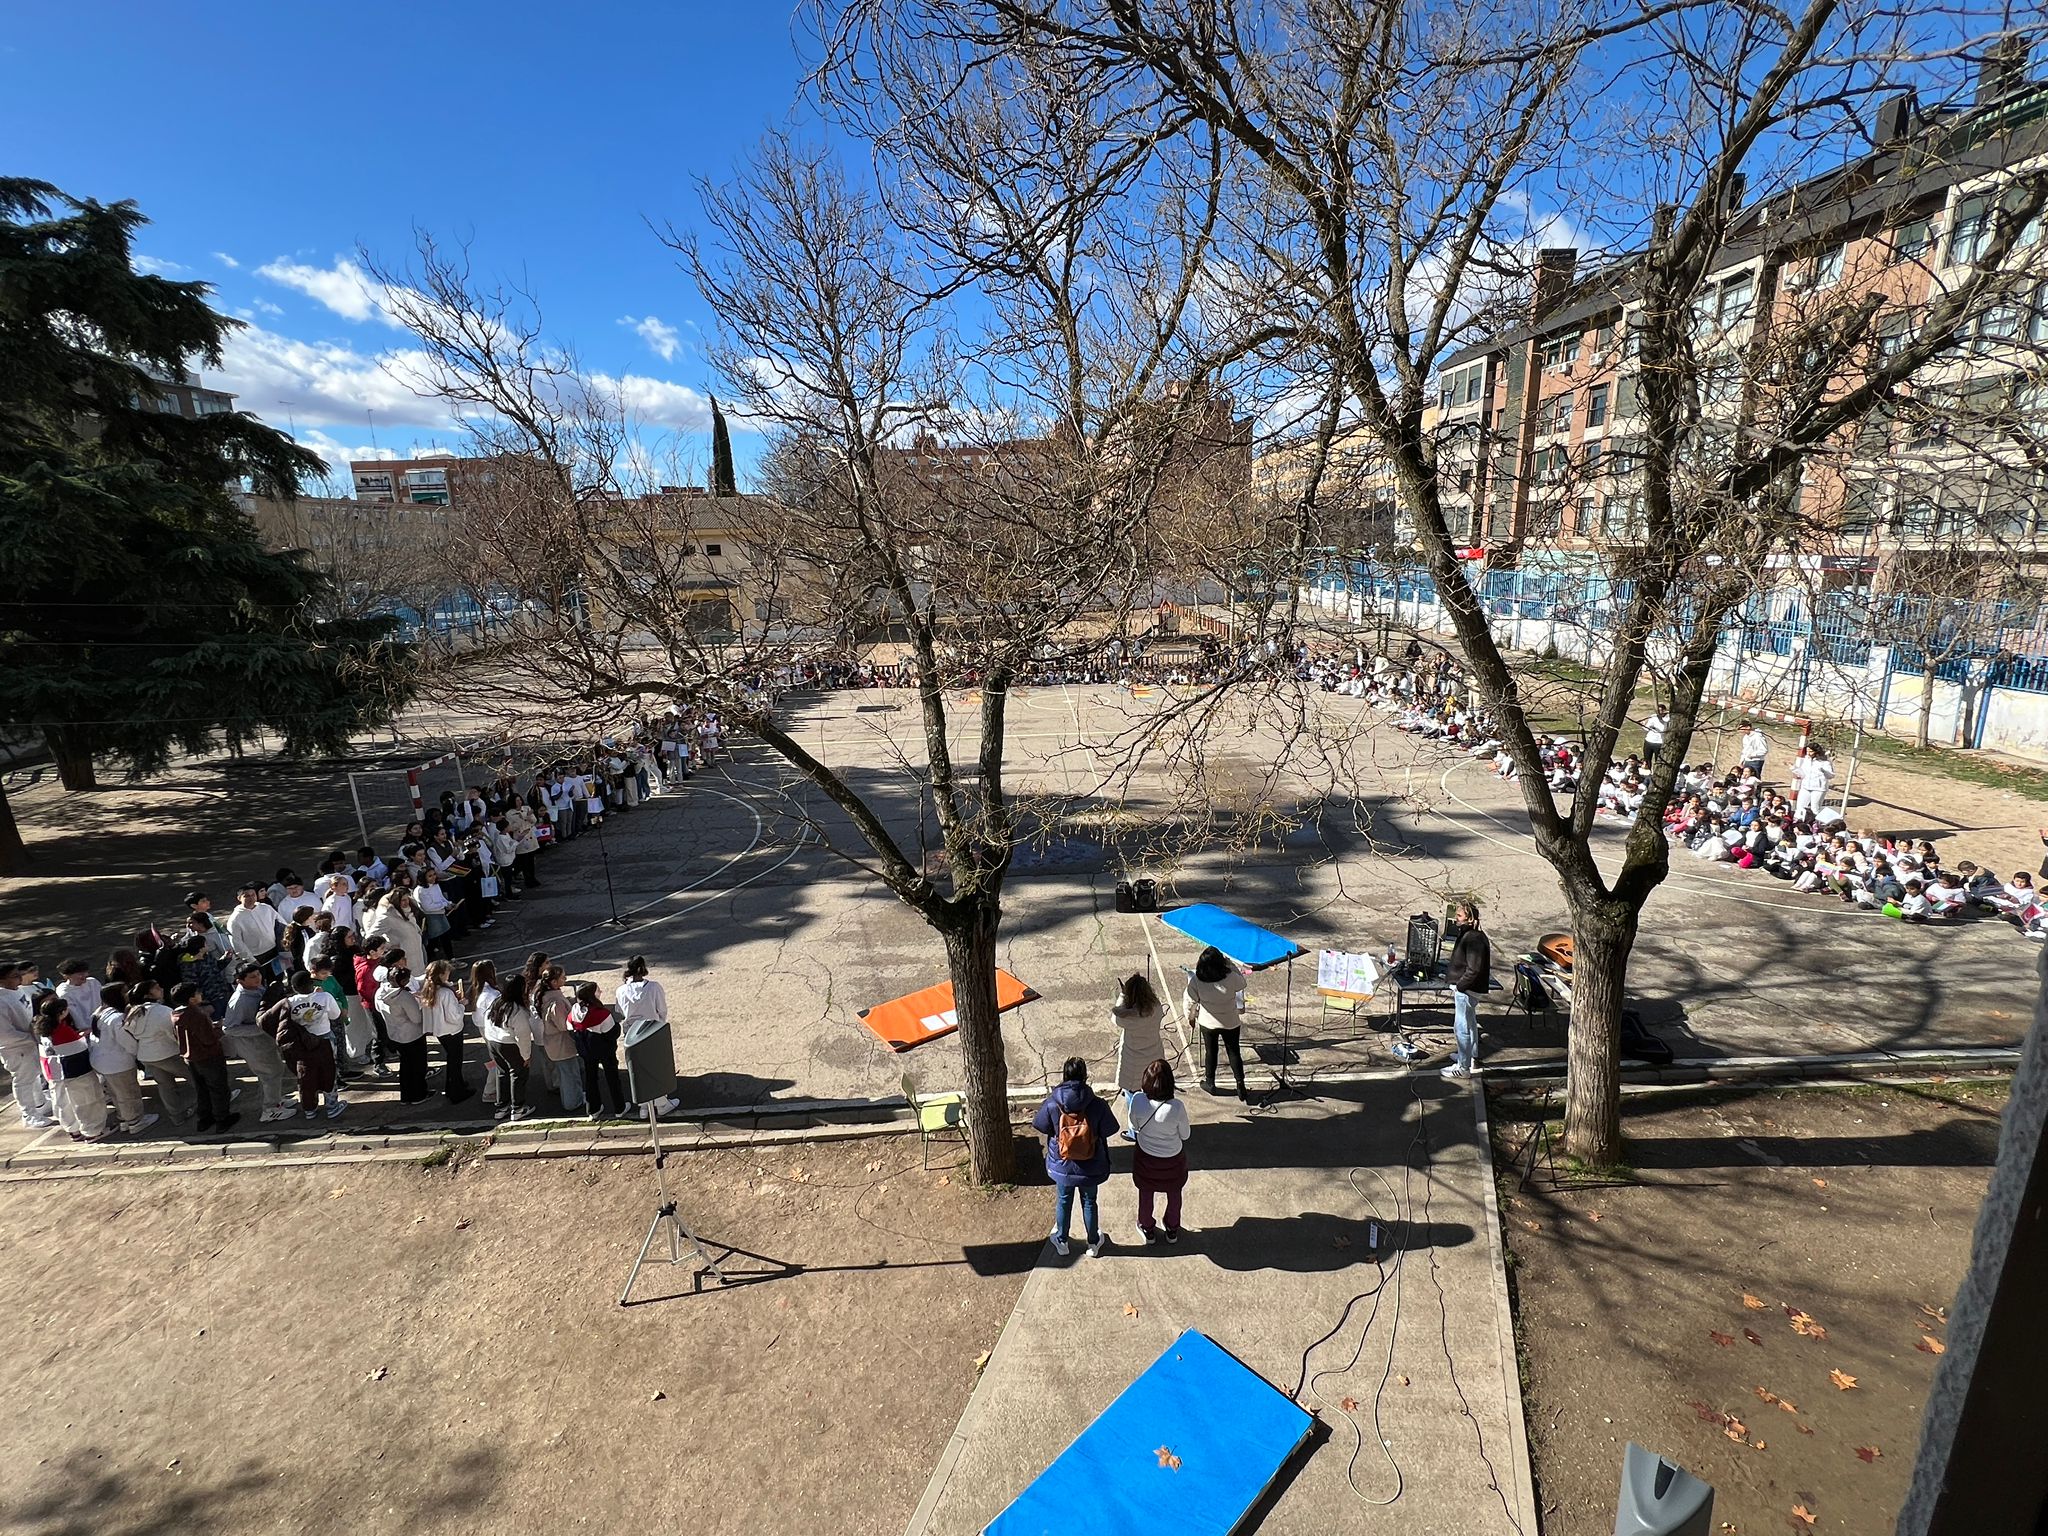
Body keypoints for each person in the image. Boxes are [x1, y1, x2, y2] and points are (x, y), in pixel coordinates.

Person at [1031, 1056, 1119, 1258]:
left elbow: (1039, 1124)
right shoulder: (1097, 1104)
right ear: (1085, 1077)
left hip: (1063, 1164)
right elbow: (1111, 1128)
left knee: (1063, 1200)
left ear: (1064, 1076)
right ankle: (1093, 1243)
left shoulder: (1053, 1104)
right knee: (1089, 1202)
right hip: (1091, 1165)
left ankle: (1062, 1241)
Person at [1123, 1057, 1191, 1244]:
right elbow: (1185, 1135)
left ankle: (1147, 1227)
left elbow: (1133, 1126)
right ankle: (1172, 1228)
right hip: (1173, 1160)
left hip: (1146, 1158)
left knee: (1146, 1192)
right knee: (1174, 1193)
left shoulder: (1137, 1100)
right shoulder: (1176, 1107)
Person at [222, 963, 297, 1123]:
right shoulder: (239, 1001)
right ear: (240, 981)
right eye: (252, 977)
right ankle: (270, 1110)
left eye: (258, 974)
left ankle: (276, 1099)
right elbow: (229, 1028)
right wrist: (260, 1027)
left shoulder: (256, 989)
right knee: (270, 1074)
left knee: (275, 1071)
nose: (258, 978)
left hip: (264, 1042)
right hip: (253, 1046)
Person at [37, 992, 109, 1142]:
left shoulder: (43, 1030)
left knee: (64, 1103)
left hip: (55, 1074)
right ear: (62, 1012)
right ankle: (93, 1131)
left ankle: (73, 1131)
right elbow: (78, 1047)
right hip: (76, 1072)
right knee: (87, 1101)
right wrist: (83, 1036)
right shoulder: (63, 1030)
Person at [124, 977, 195, 1126]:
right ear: (148, 995)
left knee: (165, 1086)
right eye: (156, 988)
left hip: (147, 1056)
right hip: (167, 1053)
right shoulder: (162, 1011)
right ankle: (217, 1101)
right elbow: (173, 1033)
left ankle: (177, 1116)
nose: (161, 989)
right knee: (196, 1078)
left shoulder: (133, 1012)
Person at [273, 970, 344, 1120]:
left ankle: (309, 1109)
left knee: (306, 1075)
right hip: (324, 1038)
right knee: (329, 1071)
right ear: (312, 983)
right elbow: (335, 1015)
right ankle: (332, 1106)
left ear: (293, 987)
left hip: (302, 1042)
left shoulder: (289, 1002)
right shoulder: (325, 997)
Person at [88, 983, 157, 1136]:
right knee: (129, 1093)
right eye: (124, 992)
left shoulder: (99, 1013)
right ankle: (135, 1121)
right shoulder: (117, 1018)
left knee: (116, 1093)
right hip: (118, 1063)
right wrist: (138, 1053)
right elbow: (127, 1042)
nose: (128, 994)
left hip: (102, 1062)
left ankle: (124, 1120)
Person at [172, 983, 238, 1135]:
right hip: (208, 1056)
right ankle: (222, 1119)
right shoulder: (197, 1015)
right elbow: (208, 1039)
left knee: (202, 1089)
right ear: (192, 999)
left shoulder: (176, 1014)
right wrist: (219, 1030)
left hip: (191, 1057)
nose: (200, 994)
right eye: (197, 993)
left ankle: (205, 1118)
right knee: (218, 1088)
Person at [1183, 946, 1248, 1099]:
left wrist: (1190, 1017)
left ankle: (1210, 1082)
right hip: (1230, 1021)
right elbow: (1242, 984)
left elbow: (1190, 1000)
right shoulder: (1231, 977)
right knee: (1234, 1052)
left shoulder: (1197, 980)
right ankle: (1240, 1084)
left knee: (1211, 1052)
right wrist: (1231, 965)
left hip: (1208, 1023)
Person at [0, 959, 55, 1130]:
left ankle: (40, 1103)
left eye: (19, 975)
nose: (19, 979)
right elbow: (4, 1034)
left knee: (34, 1076)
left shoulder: (17, 991)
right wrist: (31, 1036)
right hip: (15, 1048)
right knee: (23, 1081)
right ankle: (29, 1115)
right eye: (14, 976)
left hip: (30, 1043)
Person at [1442, 901, 1492, 1081]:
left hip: (1467, 989)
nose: (1456, 919)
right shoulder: (1472, 935)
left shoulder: (1473, 938)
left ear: (1469, 918)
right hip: (1469, 988)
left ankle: (1463, 1067)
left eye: (1459, 916)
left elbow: (1474, 969)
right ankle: (1471, 1057)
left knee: (1461, 1026)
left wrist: (1460, 986)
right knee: (1470, 1023)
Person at [569, 980, 628, 1120]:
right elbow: (612, 1033)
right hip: (605, 1050)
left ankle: (593, 1109)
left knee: (590, 1078)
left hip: (586, 1050)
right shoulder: (602, 1014)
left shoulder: (574, 1010)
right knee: (612, 1078)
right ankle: (619, 1108)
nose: (600, 992)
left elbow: (570, 1028)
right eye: (598, 991)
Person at [481, 974, 536, 1122]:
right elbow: (523, 1036)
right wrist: (526, 1056)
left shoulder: (497, 1001)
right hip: (509, 1044)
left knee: (502, 1072)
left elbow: (487, 1020)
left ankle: (501, 1107)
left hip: (493, 1041)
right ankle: (518, 1108)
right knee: (518, 1074)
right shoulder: (518, 1011)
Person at [375, 964, 431, 1105]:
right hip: (412, 1036)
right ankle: (419, 1094)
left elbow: (377, 1009)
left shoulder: (380, 993)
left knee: (405, 1066)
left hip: (395, 1034)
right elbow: (416, 1018)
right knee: (417, 1066)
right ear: (404, 981)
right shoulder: (404, 997)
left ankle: (406, 1096)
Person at [419, 960, 472, 1105]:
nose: (449, 974)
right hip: (451, 1030)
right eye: (447, 972)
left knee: (452, 1058)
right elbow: (454, 1016)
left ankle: (454, 1086)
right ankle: (456, 1091)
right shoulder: (445, 993)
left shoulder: (429, 989)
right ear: (441, 974)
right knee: (455, 1061)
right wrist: (461, 1004)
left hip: (440, 1031)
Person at [1111, 973, 1165, 1096]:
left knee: (1133, 1094)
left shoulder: (1129, 1018)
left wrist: (1123, 995)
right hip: (1154, 1054)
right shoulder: (1157, 1008)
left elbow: (1115, 1017)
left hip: (1133, 1061)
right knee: (1152, 1087)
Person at [1794, 747, 1834, 821]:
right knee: (1800, 807)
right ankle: (1797, 822)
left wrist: (1824, 771)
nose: (1808, 753)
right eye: (1807, 751)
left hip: (1818, 789)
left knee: (1815, 808)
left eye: (1811, 751)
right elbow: (1802, 774)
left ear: (1816, 751)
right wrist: (1794, 768)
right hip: (1805, 787)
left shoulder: (1825, 762)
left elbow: (1831, 776)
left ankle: (1814, 823)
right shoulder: (1806, 760)